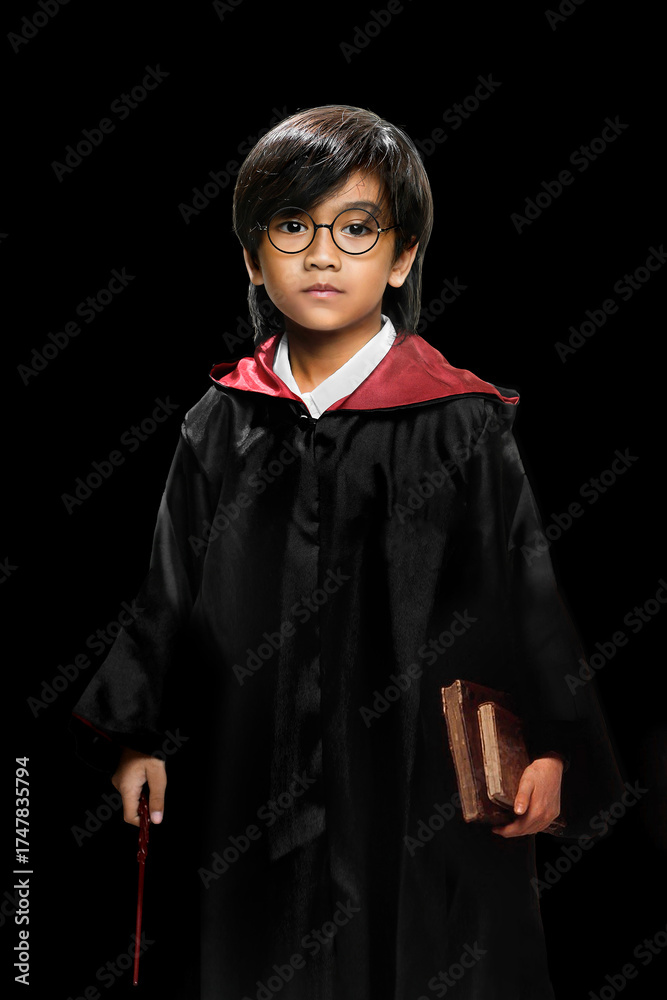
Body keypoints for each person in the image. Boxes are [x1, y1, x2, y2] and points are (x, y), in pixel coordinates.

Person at [69, 104, 623, 999]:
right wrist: (137, 737)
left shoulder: (459, 421)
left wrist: (555, 742)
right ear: (253, 259)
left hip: (420, 766)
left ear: (401, 256)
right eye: (292, 226)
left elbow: (524, 586)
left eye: (356, 228)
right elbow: (168, 591)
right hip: (252, 763)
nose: (322, 255)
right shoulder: (221, 421)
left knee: (429, 951)